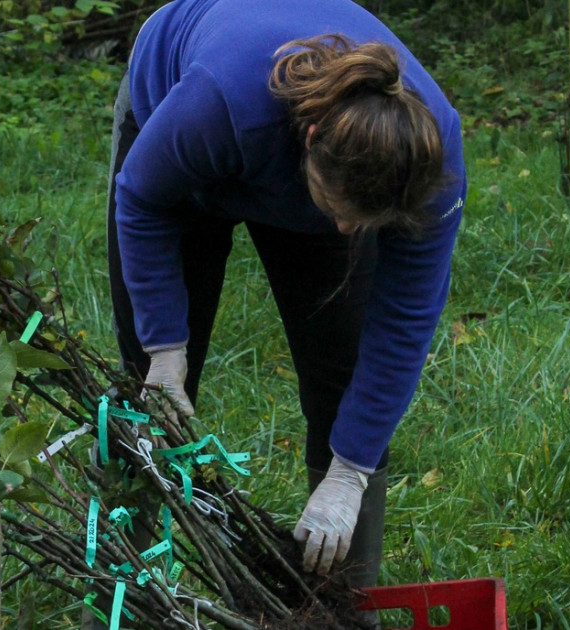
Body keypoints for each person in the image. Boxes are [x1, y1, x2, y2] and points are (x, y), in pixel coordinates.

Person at [101, 0, 464, 623]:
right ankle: (128, 605)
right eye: (343, 211)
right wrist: (164, 352)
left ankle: (341, 611)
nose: (350, 229)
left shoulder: (424, 163)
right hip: (183, 151)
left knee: (342, 378)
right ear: (315, 140)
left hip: (313, 166)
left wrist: (349, 470)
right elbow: (140, 199)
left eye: (367, 222)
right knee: (150, 402)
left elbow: (405, 317)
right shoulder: (220, 101)